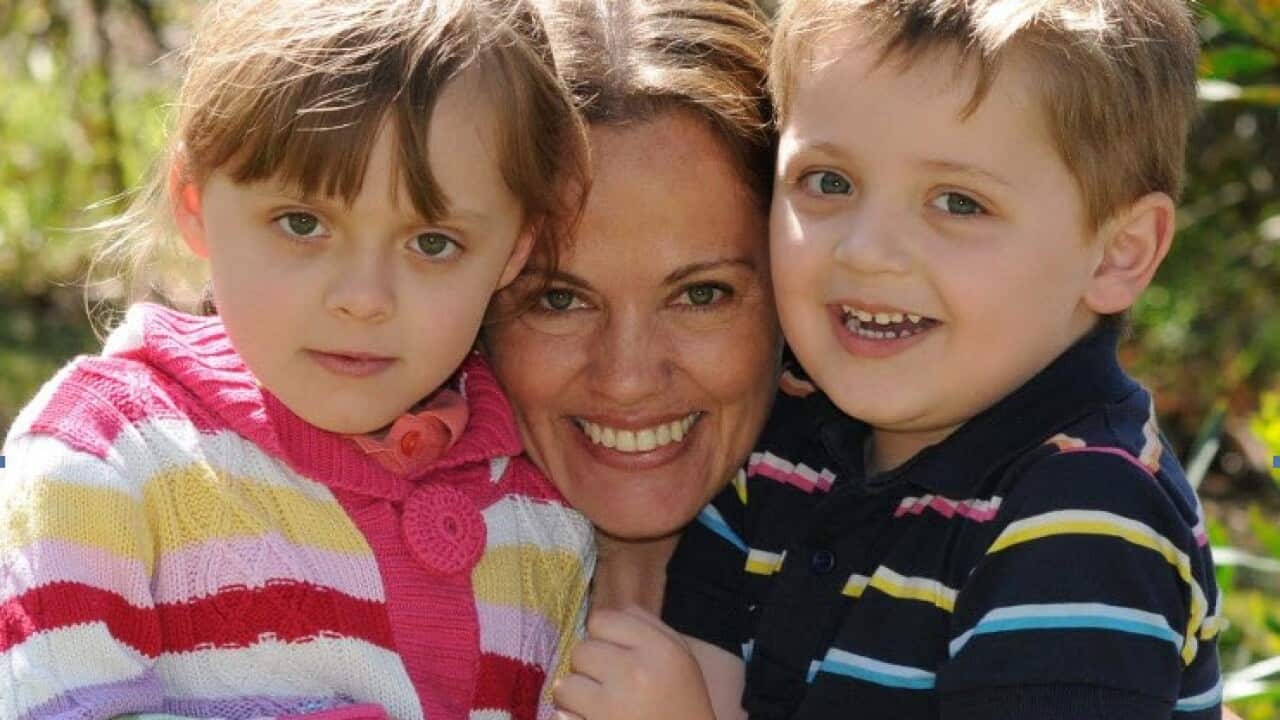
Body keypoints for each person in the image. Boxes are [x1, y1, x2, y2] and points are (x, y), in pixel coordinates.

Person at [605, 0, 1225, 718]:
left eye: (958, 203)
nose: (866, 251)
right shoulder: (782, 447)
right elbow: (698, 666)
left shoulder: (1084, 517)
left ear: (1120, 253)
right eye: (828, 182)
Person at [0, 1, 594, 719]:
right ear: (194, 200)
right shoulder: (102, 453)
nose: (363, 299)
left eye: (432, 242)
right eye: (302, 223)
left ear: (516, 250)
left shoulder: (545, 515)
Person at [482, 0, 776, 714]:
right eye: (559, 300)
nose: (628, 375)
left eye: (702, 294)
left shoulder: (925, 610)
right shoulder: (321, 567)